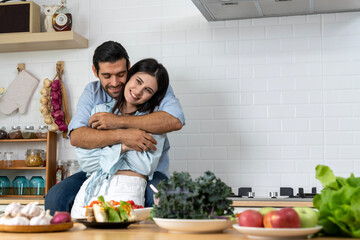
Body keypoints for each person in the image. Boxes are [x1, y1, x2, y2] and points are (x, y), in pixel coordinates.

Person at [45, 41, 185, 215]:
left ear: (129, 68)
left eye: (121, 74)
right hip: (96, 170)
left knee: (163, 199)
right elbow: (78, 137)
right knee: (55, 197)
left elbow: (174, 121)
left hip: (149, 175)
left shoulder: (155, 84)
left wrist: (117, 122)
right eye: (107, 76)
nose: (115, 82)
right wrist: (124, 138)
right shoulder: (94, 95)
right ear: (95, 72)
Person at [71, 58, 169, 217]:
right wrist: (125, 143)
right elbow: (87, 161)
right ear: (130, 76)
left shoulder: (154, 122)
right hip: (91, 188)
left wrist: (106, 149)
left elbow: (144, 167)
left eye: (148, 90)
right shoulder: (100, 111)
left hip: (128, 190)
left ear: (153, 96)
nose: (138, 92)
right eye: (138, 81)